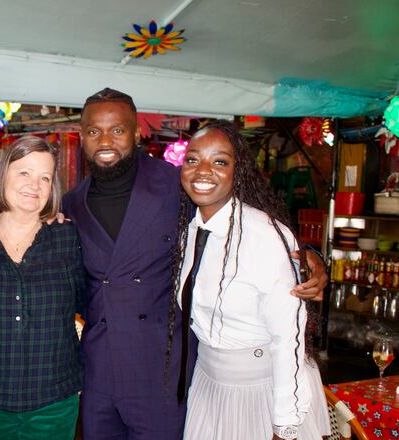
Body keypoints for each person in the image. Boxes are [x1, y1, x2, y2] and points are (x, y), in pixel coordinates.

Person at [61, 88, 328, 439]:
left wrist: (307, 256)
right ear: (81, 136)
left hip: (162, 369)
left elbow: (246, 216)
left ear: (137, 133)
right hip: (102, 370)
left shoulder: (177, 184)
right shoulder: (72, 202)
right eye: (94, 131)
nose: (105, 140)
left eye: (118, 130)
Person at [174, 120, 329, 439]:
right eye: (193, 159)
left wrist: (284, 424)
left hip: (261, 390)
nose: (203, 170)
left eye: (220, 161)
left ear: (238, 171)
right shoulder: (189, 231)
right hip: (209, 384)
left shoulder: (264, 235)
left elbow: (288, 336)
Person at [0, 136, 84, 439]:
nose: (35, 185)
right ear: (4, 176)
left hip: (54, 401)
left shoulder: (68, 238)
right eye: (24, 173)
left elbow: (91, 304)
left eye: (45, 177)